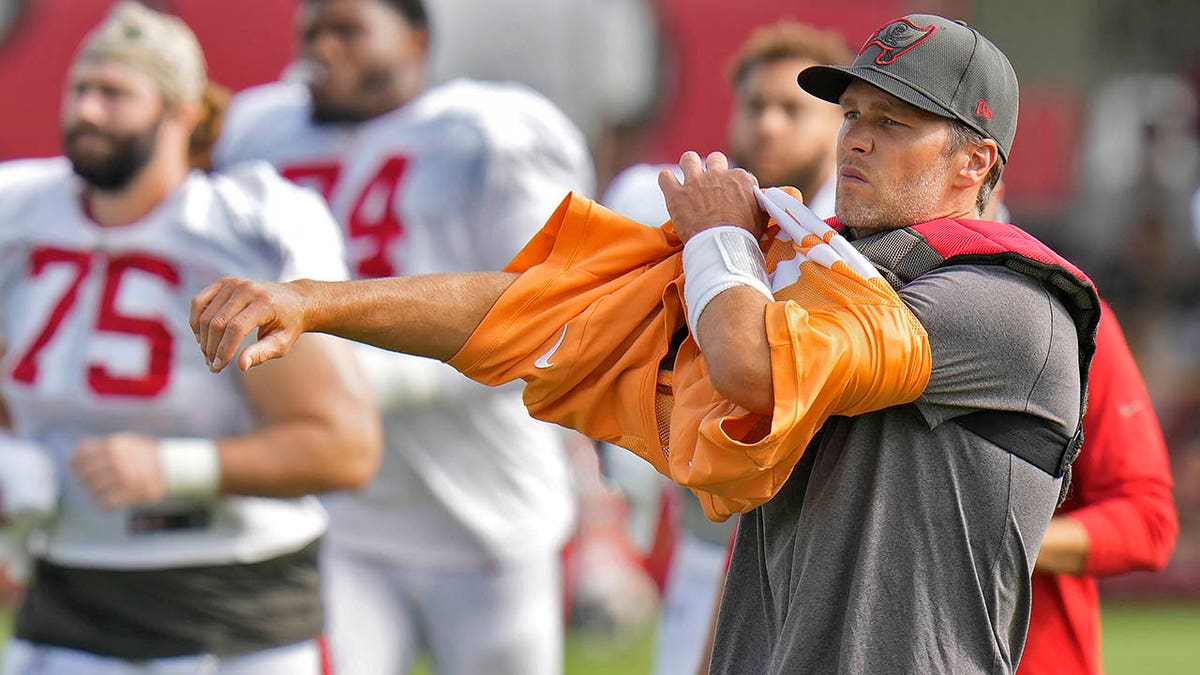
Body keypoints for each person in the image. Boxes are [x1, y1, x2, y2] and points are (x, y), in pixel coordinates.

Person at [192, 14, 1101, 673]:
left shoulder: (1006, 303)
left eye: (892, 124)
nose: (853, 139)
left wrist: (717, 239)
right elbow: (531, 314)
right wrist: (317, 300)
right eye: (853, 114)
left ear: (976, 160)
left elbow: (758, 369)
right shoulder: (807, 264)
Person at [211, 1, 594, 673]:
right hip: (343, 517)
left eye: (349, 31)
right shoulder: (261, 132)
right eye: (312, 33)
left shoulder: (491, 133)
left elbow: (545, 319)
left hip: (485, 511)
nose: (324, 50)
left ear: (416, 37)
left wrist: (362, 379)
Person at [0, 4, 381, 674]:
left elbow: (342, 445)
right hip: (68, 598)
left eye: (114, 94)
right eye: (79, 90)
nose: (87, 110)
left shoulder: (236, 233)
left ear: (179, 113)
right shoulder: (19, 212)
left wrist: (175, 467)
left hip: (228, 609)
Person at [599, 20, 850, 675]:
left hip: (821, 554)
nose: (769, 124)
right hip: (708, 540)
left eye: (793, 108)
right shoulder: (659, 202)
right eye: (755, 105)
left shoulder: (860, 245)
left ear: (840, 125)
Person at [978, 190, 1179, 674]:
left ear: (984, 167)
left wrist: (1001, 540)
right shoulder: (832, 291)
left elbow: (1147, 523)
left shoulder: (1072, 319)